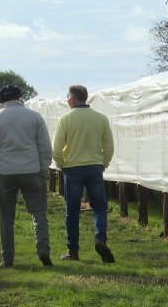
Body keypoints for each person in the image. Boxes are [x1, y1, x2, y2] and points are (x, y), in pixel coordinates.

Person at [0, 85, 53, 267]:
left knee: (6, 217)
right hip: (31, 170)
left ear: (1, 101)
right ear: (20, 98)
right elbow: (45, 147)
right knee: (39, 213)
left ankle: (7, 259)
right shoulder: (34, 117)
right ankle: (43, 249)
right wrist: (42, 168)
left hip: (5, 172)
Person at [53, 85, 115, 262]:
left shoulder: (65, 119)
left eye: (67, 98)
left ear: (72, 99)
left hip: (72, 168)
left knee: (72, 210)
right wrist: (103, 164)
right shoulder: (101, 119)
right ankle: (100, 238)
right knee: (99, 208)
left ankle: (73, 251)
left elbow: (56, 149)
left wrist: (61, 165)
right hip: (95, 166)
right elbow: (109, 146)